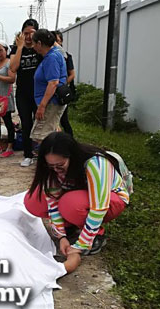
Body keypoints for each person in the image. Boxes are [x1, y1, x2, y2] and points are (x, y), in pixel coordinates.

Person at [24, 132, 130, 271]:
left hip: (111, 200)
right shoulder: (51, 169)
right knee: (33, 200)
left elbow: (99, 207)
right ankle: (70, 227)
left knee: (69, 204)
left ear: (71, 156)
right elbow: (52, 202)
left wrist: (81, 245)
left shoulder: (95, 163)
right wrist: (61, 236)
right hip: (80, 197)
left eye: (60, 165)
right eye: (51, 166)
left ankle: (97, 234)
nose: (56, 170)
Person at [10, 19, 42, 167]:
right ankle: (28, 154)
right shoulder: (16, 49)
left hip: (39, 93)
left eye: (32, 33)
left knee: (41, 124)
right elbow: (13, 68)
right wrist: (20, 47)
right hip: (23, 92)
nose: (29, 37)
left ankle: (43, 154)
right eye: (26, 33)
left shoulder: (40, 48)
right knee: (26, 124)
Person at [30, 29, 67, 144]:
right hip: (50, 102)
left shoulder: (52, 57)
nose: (33, 46)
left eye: (34, 43)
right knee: (50, 132)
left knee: (41, 136)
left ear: (39, 43)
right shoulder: (54, 52)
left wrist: (42, 106)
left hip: (50, 103)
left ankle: (53, 159)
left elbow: (53, 83)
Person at [52, 31, 76, 137]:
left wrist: (61, 86)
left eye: (56, 41)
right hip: (51, 91)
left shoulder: (66, 56)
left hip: (62, 93)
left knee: (63, 120)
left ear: (61, 41)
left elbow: (72, 75)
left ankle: (70, 141)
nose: (55, 44)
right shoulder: (49, 57)